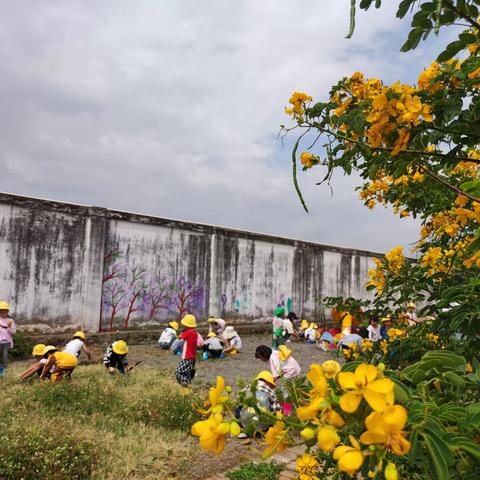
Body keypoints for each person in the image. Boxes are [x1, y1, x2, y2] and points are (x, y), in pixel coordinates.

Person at [175, 314, 198, 387]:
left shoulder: (188, 332)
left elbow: (179, 337)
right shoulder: (195, 332)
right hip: (193, 357)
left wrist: (182, 332)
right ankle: (188, 386)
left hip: (187, 357)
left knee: (178, 372)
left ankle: (186, 384)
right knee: (187, 374)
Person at [0, 301, 16, 377]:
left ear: (7, 311)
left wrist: (9, 327)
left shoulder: (11, 321)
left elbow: (13, 333)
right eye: (1, 310)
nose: (3, 312)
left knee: (4, 357)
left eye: (5, 311)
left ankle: (2, 372)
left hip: (6, 343)